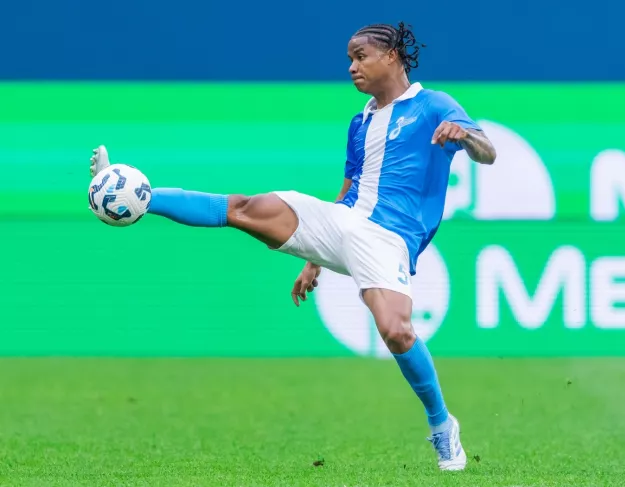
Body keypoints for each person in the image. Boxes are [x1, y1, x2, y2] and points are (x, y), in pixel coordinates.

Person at [88, 21, 496, 471]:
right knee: (244, 207)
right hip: (342, 220)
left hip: (389, 237)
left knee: (397, 332)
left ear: (393, 56)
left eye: (361, 57)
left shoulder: (433, 105)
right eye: (349, 58)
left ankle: (441, 424)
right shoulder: (360, 121)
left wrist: (466, 136)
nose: (352, 67)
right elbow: (348, 191)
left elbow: (488, 152)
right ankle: (136, 196)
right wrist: (314, 258)